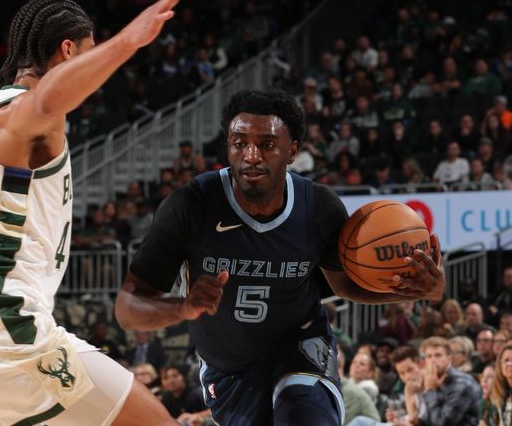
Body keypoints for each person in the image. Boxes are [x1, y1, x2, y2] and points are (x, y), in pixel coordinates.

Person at [0, 0, 195, 426]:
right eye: (90, 49)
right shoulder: (29, 109)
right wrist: (128, 42)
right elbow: (48, 101)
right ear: (67, 51)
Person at [116, 89, 446, 426]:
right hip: (229, 368)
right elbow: (127, 308)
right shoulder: (190, 205)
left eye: (267, 144)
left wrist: (420, 291)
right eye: (239, 142)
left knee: (302, 413)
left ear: (293, 150)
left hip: (301, 344)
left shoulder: (318, 207)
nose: (252, 155)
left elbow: (346, 285)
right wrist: (182, 307)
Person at [415, 337, 482, 426]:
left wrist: (430, 391)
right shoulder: (432, 380)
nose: (433, 360)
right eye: (429, 356)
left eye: (438, 355)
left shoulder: (462, 383)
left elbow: (443, 423)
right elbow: (428, 418)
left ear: (448, 358)